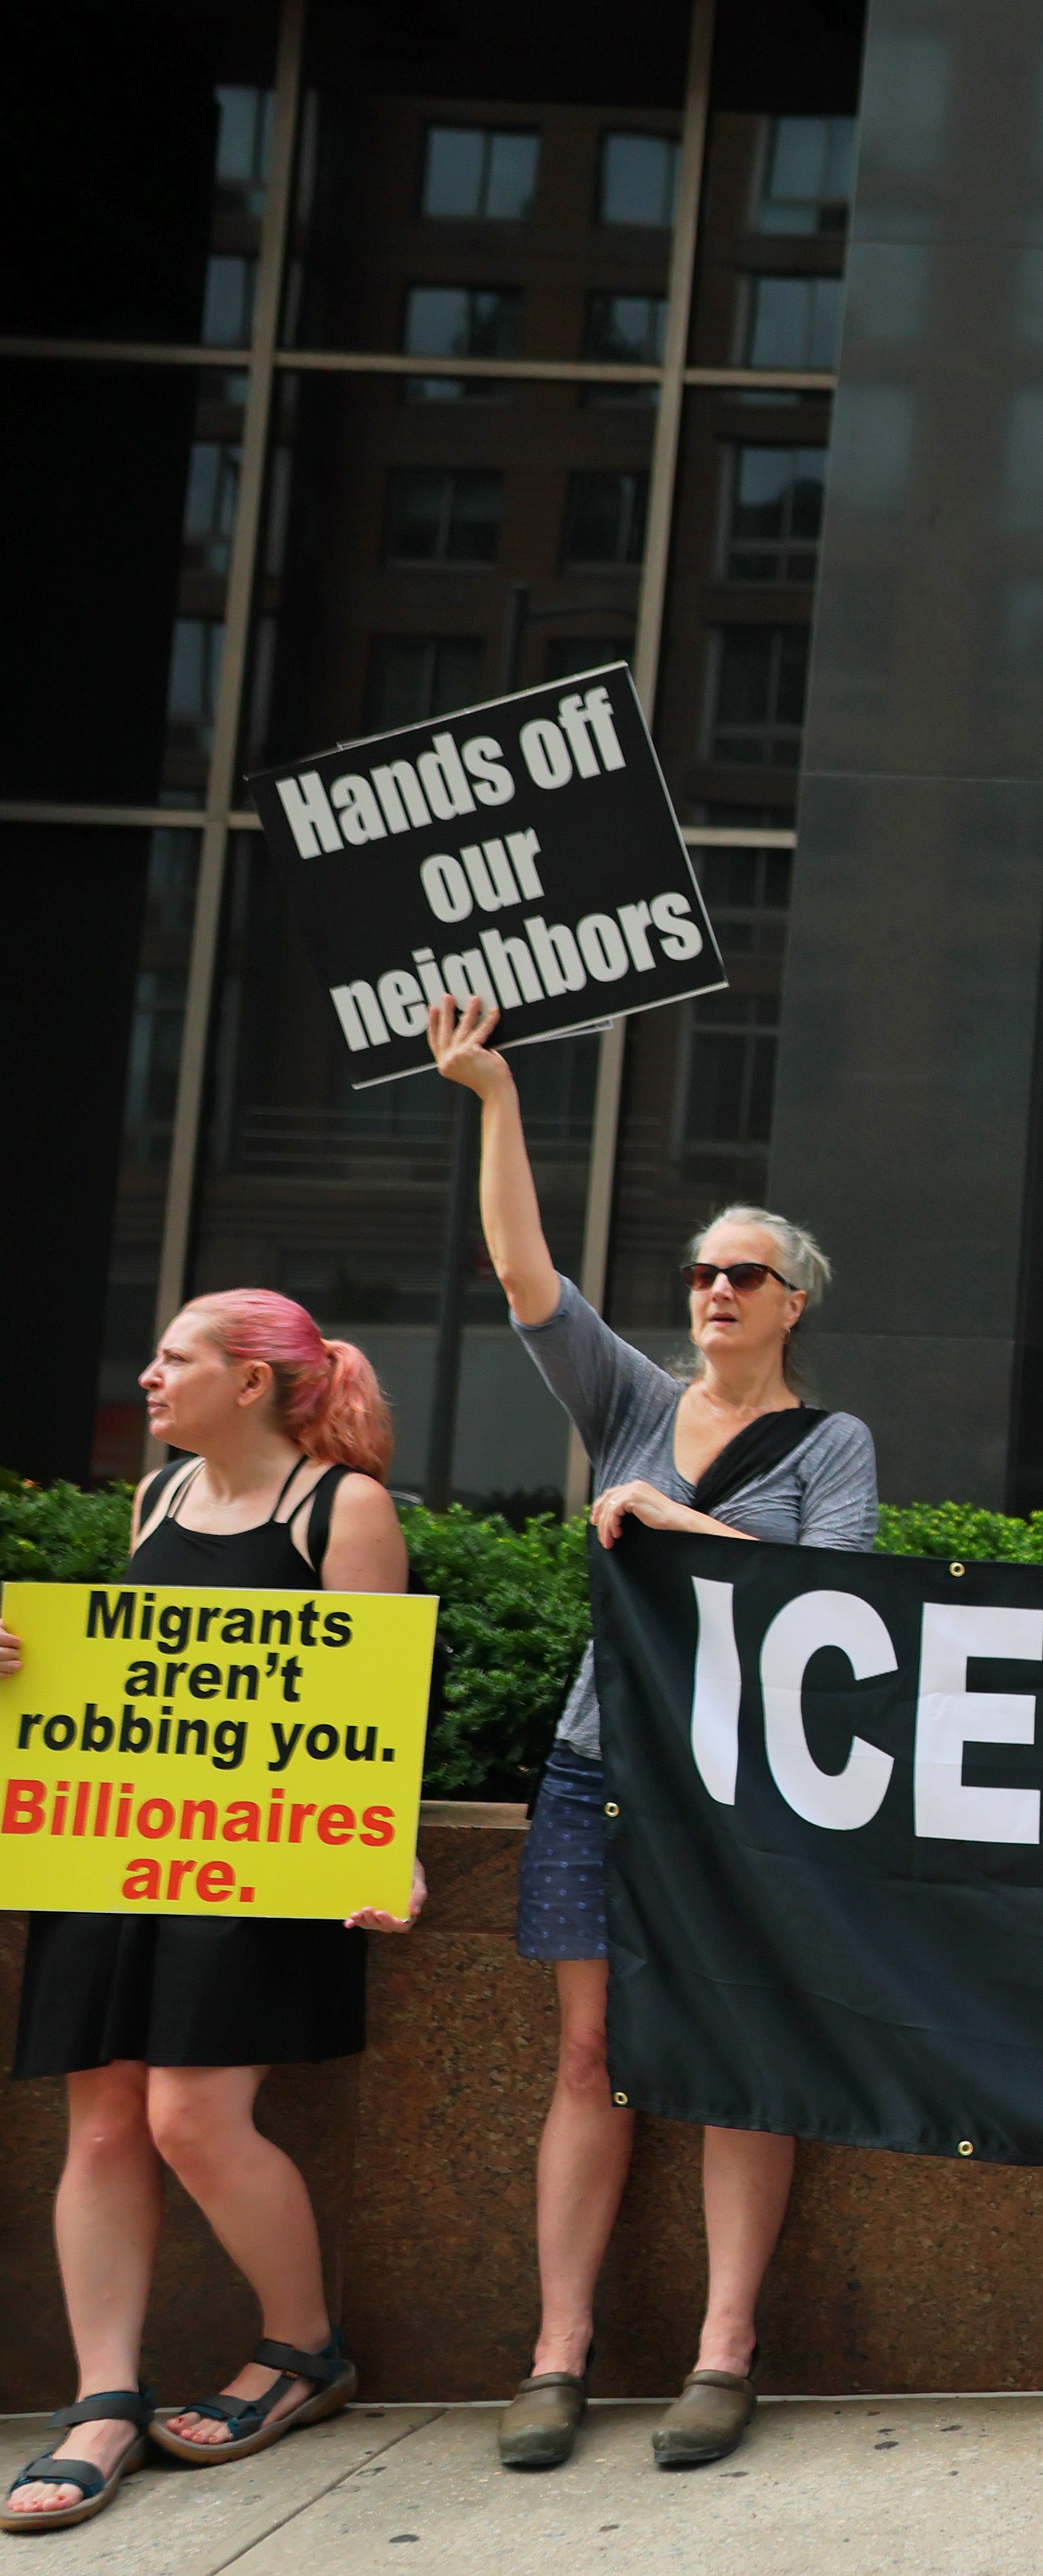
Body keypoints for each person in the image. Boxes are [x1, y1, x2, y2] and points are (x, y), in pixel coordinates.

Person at [425, 991, 881, 2474]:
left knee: (737, 2052)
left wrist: (676, 1521)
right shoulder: (628, 1397)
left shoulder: (831, 1445)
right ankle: (560, 2348)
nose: (715, 1293)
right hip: (593, 1771)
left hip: (745, 1794)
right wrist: (495, 1098)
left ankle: (724, 2344)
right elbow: (522, 1276)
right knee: (588, 2056)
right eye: (700, 1275)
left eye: (745, 1275)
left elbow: (840, 1608)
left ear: (793, 1298)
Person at [0, 1292, 421, 2533]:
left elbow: (374, 1696)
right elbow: (133, 1682)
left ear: (248, 1383)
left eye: (172, 1359)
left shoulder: (345, 1509)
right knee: (103, 2122)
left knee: (190, 2114)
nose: (146, 1377)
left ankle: (301, 2350)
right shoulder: (155, 1500)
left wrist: (390, 1851)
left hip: (264, 1865)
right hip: (126, 1848)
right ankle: (102, 2401)